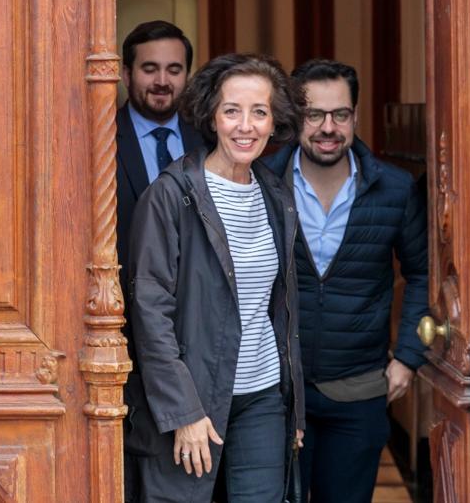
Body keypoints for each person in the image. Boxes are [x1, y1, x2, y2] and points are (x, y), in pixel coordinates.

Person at [124, 53, 306, 502]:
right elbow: (150, 310)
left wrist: (293, 406)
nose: (246, 126)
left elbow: (281, 308)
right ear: (211, 116)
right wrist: (183, 410)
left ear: (274, 122)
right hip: (193, 398)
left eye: (259, 112)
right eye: (232, 111)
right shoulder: (169, 195)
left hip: (262, 396)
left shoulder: (275, 195)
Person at [263, 59, 428, 503]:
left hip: (358, 393)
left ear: (355, 116)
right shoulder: (262, 182)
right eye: (314, 115)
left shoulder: (393, 188)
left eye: (340, 114)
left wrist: (409, 357)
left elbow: (421, 274)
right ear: (294, 119)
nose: (327, 128)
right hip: (275, 392)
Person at [115, 21, 204, 500]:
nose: (162, 80)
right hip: (117, 336)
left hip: (195, 337)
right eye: (150, 68)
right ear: (127, 73)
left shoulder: (211, 141)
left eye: (174, 69)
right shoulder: (96, 140)